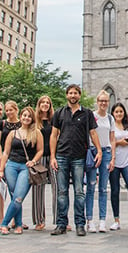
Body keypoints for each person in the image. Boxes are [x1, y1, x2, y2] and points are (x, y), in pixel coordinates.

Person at [50, 84, 102, 237]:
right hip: (61, 156)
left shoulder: (86, 113)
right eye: (70, 93)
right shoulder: (59, 113)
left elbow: (93, 133)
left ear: (79, 95)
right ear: (67, 95)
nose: (73, 96)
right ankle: (61, 224)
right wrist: (52, 156)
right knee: (62, 192)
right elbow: (53, 135)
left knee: (79, 192)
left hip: (79, 157)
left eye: (75, 93)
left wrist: (99, 150)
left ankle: (80, 224)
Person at [0, 106, 44, 235]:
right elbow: (6, 152)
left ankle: (4, 223)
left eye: (29, 116)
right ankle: (18, 224)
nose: (26, 118)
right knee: (14, 196)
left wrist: (33, 161)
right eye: (24, 115)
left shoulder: (36, 133)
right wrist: (1, 170)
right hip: (11, 166)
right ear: (21, 117)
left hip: (26, 167)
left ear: (32, 118)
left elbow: (40, 150)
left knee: (18, 197)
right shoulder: (13, 133)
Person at [85, 90, 116, 233]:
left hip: (107, 153)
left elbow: (112, 139)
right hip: (93, 152)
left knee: (103, 188)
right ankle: (90, 220)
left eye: (106, 101)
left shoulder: (110, 118)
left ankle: (102, 220)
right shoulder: (91, 116)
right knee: (91, 187)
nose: (103, 103)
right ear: (97, 102)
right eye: (101, 101)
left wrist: (113, 158)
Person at [108, 102, 128, 232]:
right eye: (116, 112)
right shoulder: (111, 126)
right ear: (113, 113)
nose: (119, 114)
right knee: (115, 191)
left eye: (121, 111)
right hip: (114, 162)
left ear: (124, 113)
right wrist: (124, 141)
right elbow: (110, 143)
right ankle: (116, 220)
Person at [31, 95, 58, 231]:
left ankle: (60, 220)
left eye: (48, 102)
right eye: (43, 102)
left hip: (53, 156)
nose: (45, 104)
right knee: (38, 189)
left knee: (57, 188)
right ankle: (39, 220)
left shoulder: (55, 120)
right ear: (39, 104)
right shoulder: (34, 122)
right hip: (39, 158)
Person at [0, 100, 22, 228]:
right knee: (1, 190)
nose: (8, 112)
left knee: (16, 192)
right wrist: (1, 159)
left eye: (11, 109)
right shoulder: (2, 123)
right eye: (7, 110)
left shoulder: (22, 123)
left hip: (18, 159)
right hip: (4, 158)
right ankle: (2, 218)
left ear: (16, 110)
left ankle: (15, 219)